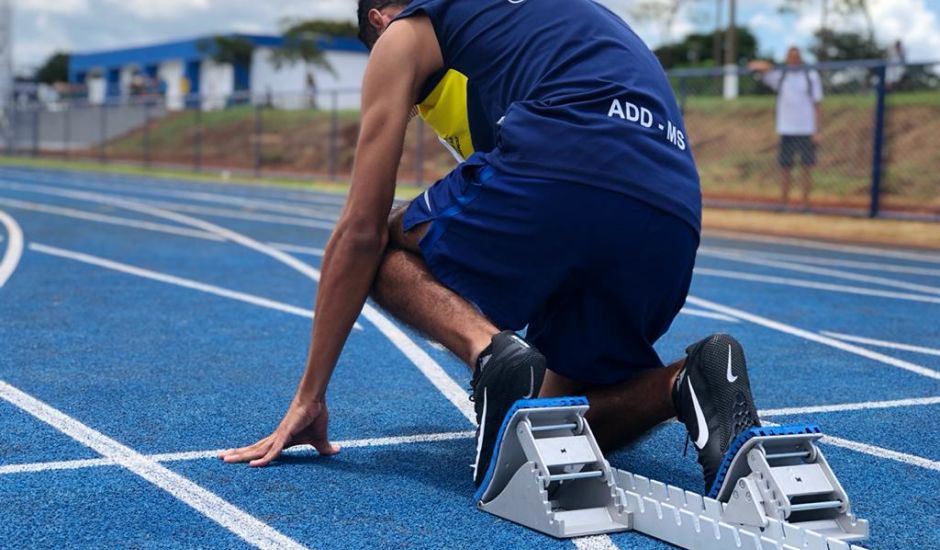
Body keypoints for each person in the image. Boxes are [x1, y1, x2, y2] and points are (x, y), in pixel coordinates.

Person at [219, 0, 763, 497]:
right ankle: (686, 381)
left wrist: (310, 396)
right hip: (672, 206)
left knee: (381, 242)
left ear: (380, 18)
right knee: (543, 420)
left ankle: (490, 352)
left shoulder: (405, 29)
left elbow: (356, 232)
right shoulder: (536, 26)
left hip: (565, 153)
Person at [749, 47, 824, 209]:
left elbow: (817, 105)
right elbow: (754, 66)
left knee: (806, 168)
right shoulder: (780, 76)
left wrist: (817, 131)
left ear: (801, 58)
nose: (794, 60)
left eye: (796, 57)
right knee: (785, 167)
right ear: (786, 59)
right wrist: (773, 66)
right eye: (791, 57)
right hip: (786, 129)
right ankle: (783, 202)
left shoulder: (811, 77)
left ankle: (805, 203)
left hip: (806, 130)